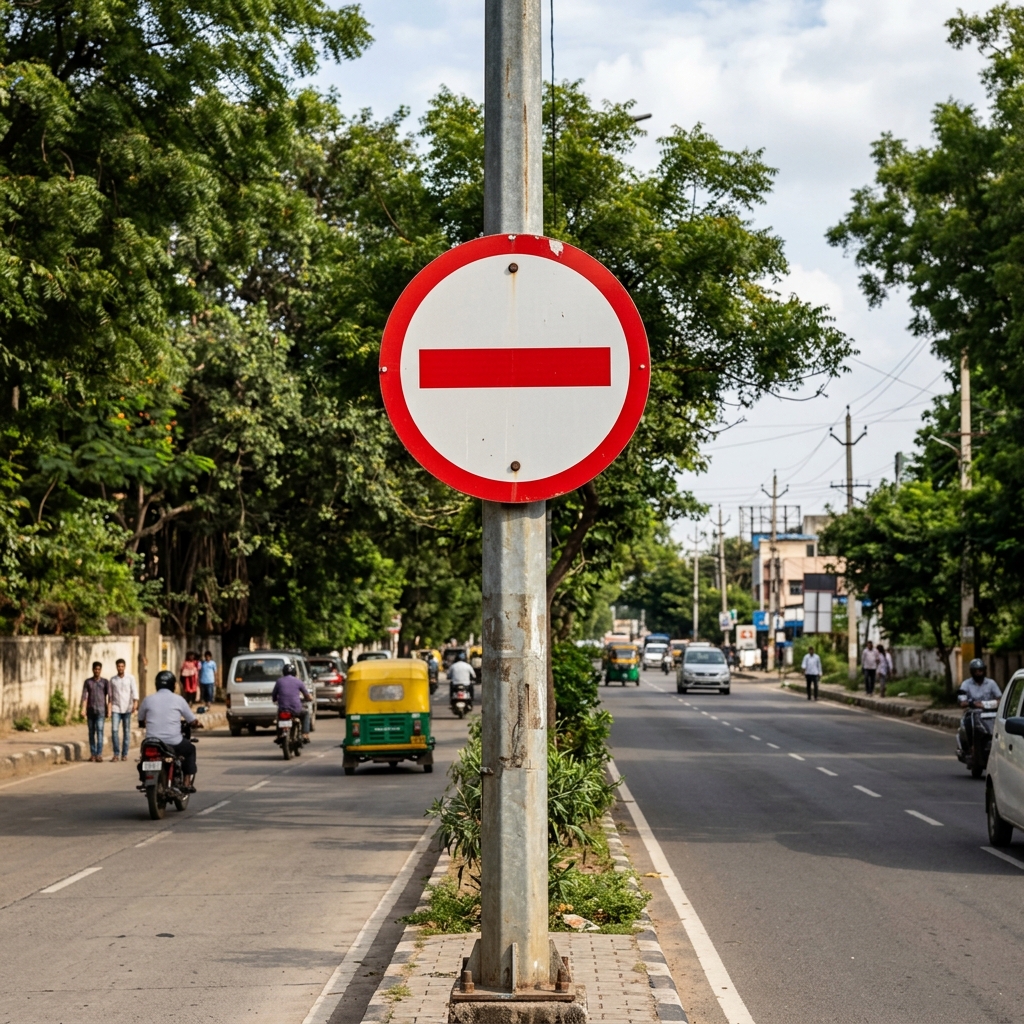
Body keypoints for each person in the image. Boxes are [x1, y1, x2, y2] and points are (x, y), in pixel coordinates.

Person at [138, 670, 199, 791]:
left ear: (157, 684)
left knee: (143, 757)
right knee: (190, 749)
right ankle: (187, 783)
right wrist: (197, 724)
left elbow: (140, 720)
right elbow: (192, 720)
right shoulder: (179, 699)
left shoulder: (147, 700)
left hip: (151, 742)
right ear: (173, 685)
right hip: (173, 742)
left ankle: (145, 780)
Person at [271, 661, 312, 740]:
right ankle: (305, 734)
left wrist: (275, 700)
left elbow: (274, 695)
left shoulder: (279, 681)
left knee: (279, 717)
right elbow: (307, 695)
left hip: (283, 709)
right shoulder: (298, 681)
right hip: (296, 709)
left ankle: (279, 735)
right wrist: (310, 698)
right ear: (295, 672)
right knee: (306, 713)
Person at [108, 657, 139, 762]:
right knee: (114, 731)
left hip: (127, 708)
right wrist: (109, 708)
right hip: (116, 708)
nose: (120, 668)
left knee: (126, 731)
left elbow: (134, 691)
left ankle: (124, 754)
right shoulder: (113, 680)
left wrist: (135, 704)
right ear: (116, 667)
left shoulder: (130, 678)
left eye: (122, 666)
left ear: (124, 667)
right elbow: (110, 696)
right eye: (119, 666)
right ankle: (116, 754)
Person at [80, 662, 110, 763]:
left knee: (100, 732)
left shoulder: (105, 682)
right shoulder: (88, 682)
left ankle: (99, 754)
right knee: (91, 733)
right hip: (90, 711)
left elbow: (109, 697)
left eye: (98, 669)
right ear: (92, 670)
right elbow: (84, 696)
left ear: (100, 670)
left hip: (101, 711)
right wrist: (83, 709)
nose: (97, 671)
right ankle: (93, 754)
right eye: (95, 669)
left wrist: (109, 710)